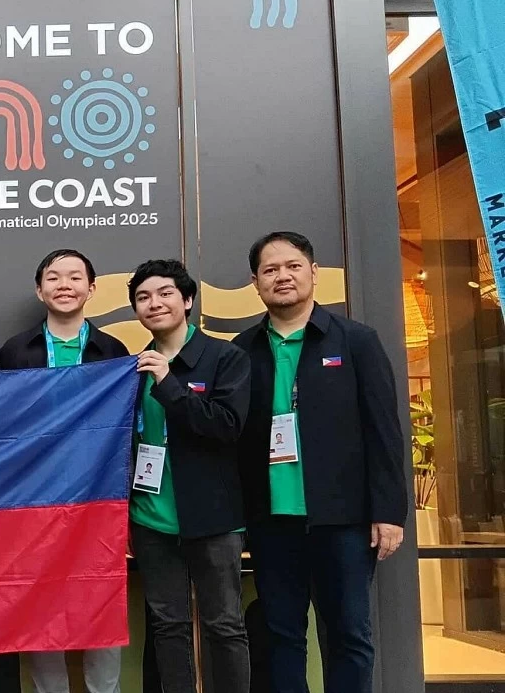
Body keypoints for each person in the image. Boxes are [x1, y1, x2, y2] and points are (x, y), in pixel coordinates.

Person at [234, 232, 407, 693]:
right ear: (255, 282)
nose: (282, 276)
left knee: (349, 633)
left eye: (292, 265)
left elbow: (384, 433)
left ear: (314, 272)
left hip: (344, 520)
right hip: (272, 520)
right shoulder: (242, 349)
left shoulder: (356, 341)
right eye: (270, 270)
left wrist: (388, 512)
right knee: (282, 634)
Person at [0, 248, 128, 693]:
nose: (64, 285)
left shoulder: (114, 352)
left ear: (92, 288)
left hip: (98, 496)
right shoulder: (16, 350)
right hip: (34, 499)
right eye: (54, 278)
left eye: (75, 277)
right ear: (40, 290)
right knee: (40, 606)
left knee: (100, 600)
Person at [126, 259, 251, 693]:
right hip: (151, 517)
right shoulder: (133, 367)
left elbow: (226, 426)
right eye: (143, 297)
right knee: (167, 626)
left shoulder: (225, 357)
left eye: (164, 293)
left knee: (224, 624)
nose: (154, 303)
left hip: (213, 517)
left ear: (188, 300)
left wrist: (169, 384)